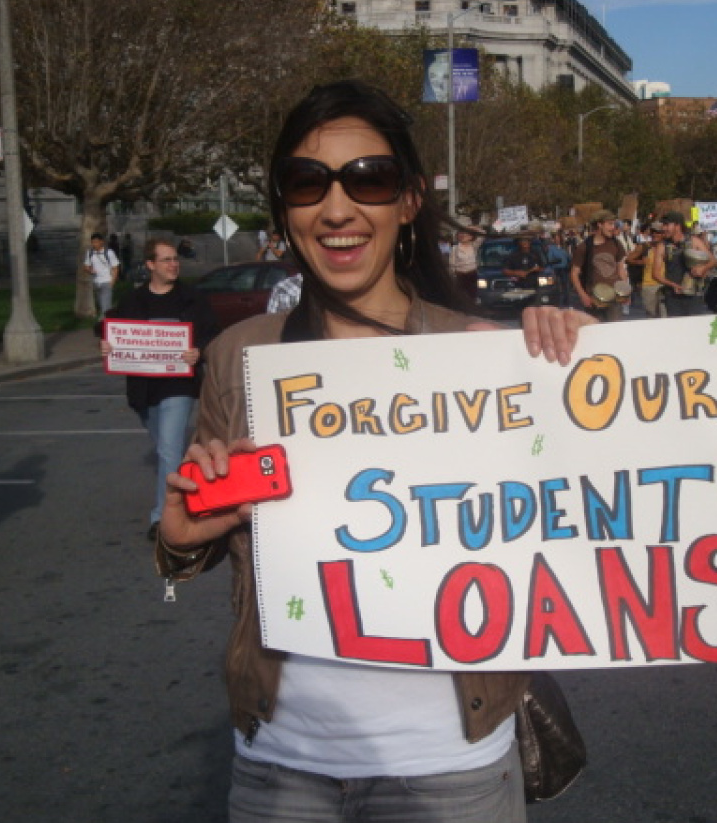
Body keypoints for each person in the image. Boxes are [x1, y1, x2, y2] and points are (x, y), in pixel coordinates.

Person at [156, 80, 594, 823]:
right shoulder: (238, 355)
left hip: (449, 766)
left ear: (409, 199)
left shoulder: (485, 352)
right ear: (285, 208)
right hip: (280, 767)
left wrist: (576, 362)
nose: (336, 209)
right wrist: (176, 540)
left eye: (369, 179)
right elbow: (192, 534)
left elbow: (580, 518)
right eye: (307, 183)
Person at [101, 238, 218, 541]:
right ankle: (191, 489)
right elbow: (110, 326)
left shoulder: (192, 299)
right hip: (143, 389)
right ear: (150, 265)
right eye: (166, 260)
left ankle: (163, 519)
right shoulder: (134, 301)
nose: (173, 264)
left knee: (168, 450)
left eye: (175, 259)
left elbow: (210, 333)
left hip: (178, 385)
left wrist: (199, 351)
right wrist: (106, 342)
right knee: (166, 450)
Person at [569, 209, 629, 322]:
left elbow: (621, 269)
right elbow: (574, 273)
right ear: (599, 225)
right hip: (594, 299)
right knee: (596, 331)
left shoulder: (616, 243)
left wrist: (625, 292)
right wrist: (583, 295)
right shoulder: (585, 247)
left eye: (614, 224)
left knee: (615, 331)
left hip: (614, 298)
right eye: (610, 224)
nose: (613, 227)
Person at [657, 211, 713, 318]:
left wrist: (703, 268)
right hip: (672, 296)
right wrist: (671, 285)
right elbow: (656, 274)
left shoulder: (694, 241)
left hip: (694, 295)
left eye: (667, 225)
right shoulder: (663, 246)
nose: (663, 228)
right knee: (676, 330)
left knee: (693, 329)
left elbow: (712, 260)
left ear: (677, 225)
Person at [625, 222, 667, 317]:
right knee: (651, 316)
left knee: (664, 316)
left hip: (664, 285)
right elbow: (628, 259)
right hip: (649, 286)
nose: (655, 234)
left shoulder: (668, 247)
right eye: (653, 231)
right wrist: (639, 262)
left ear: (663, 234)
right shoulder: (644, 246)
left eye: (658, 232)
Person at [85, 232, 121, 315]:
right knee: (102, 304)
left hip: (107, 281)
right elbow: (86, 266)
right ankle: (109, 320)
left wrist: (112, 282)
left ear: (102, 242)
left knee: (105, 307)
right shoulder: (90, 253)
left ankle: (104, 323)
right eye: (93, 242)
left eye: (96, 242)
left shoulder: (109, 253)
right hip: (96, 282)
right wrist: (90, 270)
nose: (94, 244)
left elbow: (115, 268)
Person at [448, 227, 479, 300]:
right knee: (461, 296)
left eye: (466, 235)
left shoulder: (474, 246)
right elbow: (451, 264)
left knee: (472, 296)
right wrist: (454, 275)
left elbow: (483, 233)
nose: (463, 236)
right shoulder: (455, 248)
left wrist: (469, 227)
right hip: (460, 276)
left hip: (472, 275)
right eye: (461, 235)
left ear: (471, 237)